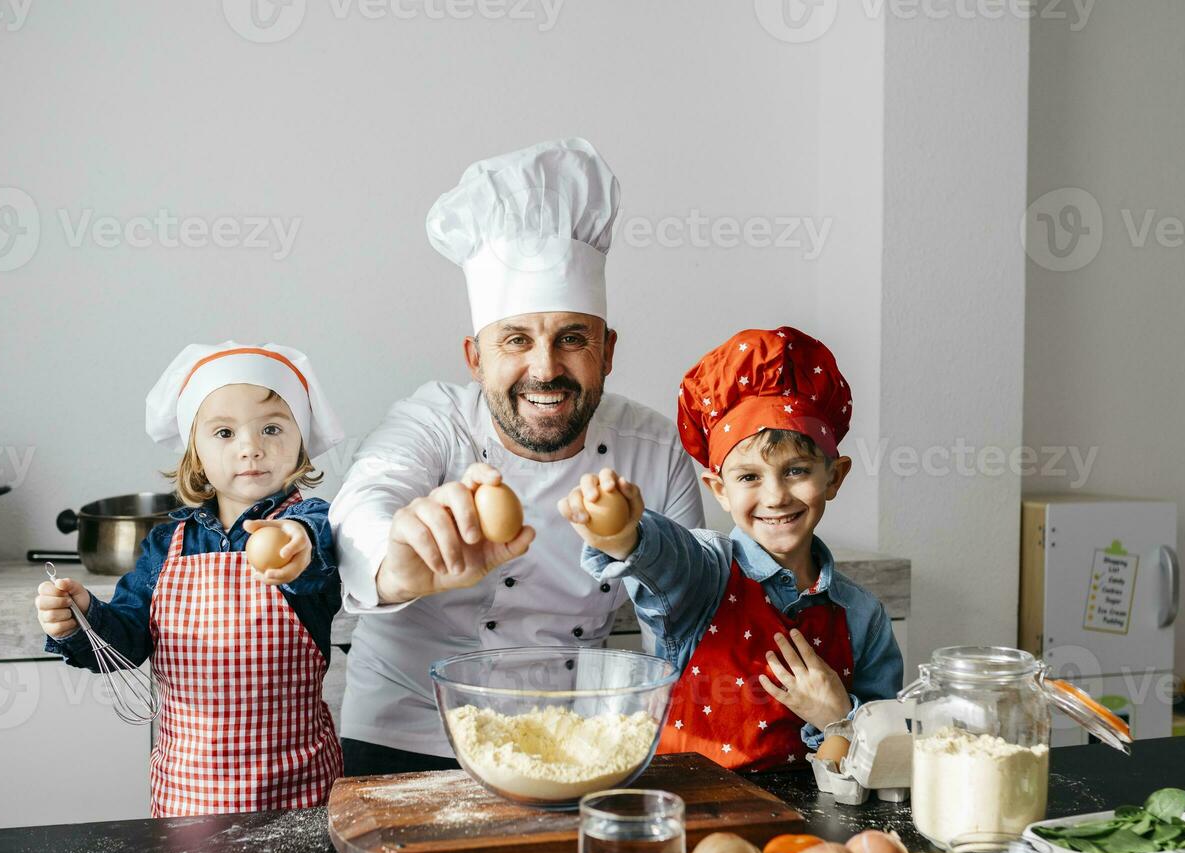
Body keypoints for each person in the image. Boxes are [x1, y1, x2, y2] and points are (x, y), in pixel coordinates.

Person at [331, 138, 704, 776]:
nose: (545, 369)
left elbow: (689, 615)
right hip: (406, 733)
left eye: (571, 339)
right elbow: (362, 503)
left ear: (608, 351)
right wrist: (402, 560)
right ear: (475, 358)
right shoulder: (434, 421)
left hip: (574, 741)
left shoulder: (655, 447)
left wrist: (637, 546)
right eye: (516, 340)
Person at [560, 326, 903, 771]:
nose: (776, 496)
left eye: (796, 470)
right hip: (696, 821)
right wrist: (625, 532)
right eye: (749, 477)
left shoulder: (863, 617)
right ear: (719, 490)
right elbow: (668, 557)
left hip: (809, 834)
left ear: (834, 477)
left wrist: (838, 717)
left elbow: (891, 752)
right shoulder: (708, 574)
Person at [35, 342, 346, 815]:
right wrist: (81, 620)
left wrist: (299, 537)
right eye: (224, 432)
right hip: (189, 793)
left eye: (272, 428)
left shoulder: (310, 523)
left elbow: (323, 542)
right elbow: (125, 645)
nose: (250, 447)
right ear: (195, 455)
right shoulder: (167, 546)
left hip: (301, 789)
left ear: (300, 442)